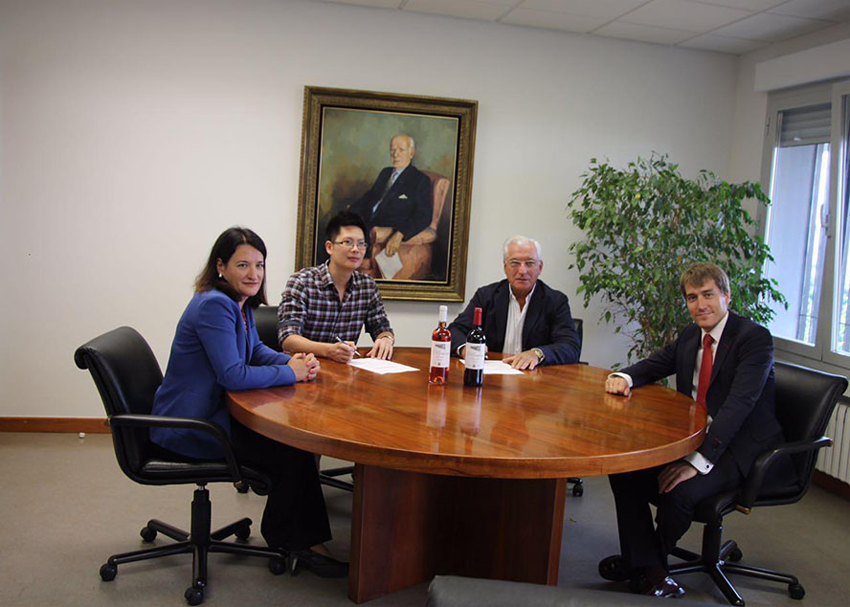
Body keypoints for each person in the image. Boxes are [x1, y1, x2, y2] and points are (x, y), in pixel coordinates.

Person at [150, 227, 347, 578]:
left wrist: (292, 361)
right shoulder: (214, 305)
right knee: (292, 451)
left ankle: (299, 538)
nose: (254, 274)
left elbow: (253, 350)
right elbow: (233, 375)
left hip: (212, 414)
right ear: (221, 266)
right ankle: (295, 542)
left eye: (259, 265)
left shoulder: (236, 303)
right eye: (243, 265)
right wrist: (292, 373)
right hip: (192, 425)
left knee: (295, 447)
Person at [599, 262, 793, 598]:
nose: (700, 305)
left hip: (741, 447)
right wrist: (624, 376)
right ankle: (647, 564)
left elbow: (738, 406)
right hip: (697, 438)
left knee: (679, 492)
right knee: (624, 471)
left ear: (726, 296)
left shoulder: (753, 338)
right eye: (692, 298)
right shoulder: (692, 335)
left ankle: (650, 569)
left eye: (708, 295)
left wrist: (697, 461)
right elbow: (656, 364)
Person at [448, 235, 581, 369]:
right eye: (515, 263)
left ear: (540, 267)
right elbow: (454, 330)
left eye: (529, 263)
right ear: (505, 267)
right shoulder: (486, 296)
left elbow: (570, 346)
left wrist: (537, 353)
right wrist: (464, 348)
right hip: (493, 375)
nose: (522, 271)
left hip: (535, 377)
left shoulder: (556, 301)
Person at [279, 211, 395, 363]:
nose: (356, 249)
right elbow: (288, 339)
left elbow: (381, 327)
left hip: (343, 371)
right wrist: (329, 350)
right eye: (348, 242)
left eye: (361, 243)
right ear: (330, 247)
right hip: (304, 368)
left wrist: (386, 339)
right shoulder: (302, 282)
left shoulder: (367, 286)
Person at [348, 133, 432, 259]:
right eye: (393, 150)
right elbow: (370, 197)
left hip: (379, 228)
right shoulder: (385, 172)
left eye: (401, 150)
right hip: (364, 220)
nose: (395, 154)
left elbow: (424, 216)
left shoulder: (420, 180)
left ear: (411, 153)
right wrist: (350, 211)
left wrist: (400, 234)